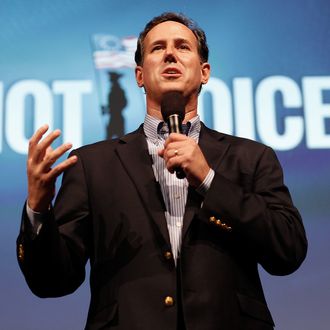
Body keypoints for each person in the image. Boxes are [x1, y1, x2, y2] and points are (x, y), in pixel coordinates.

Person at [17, 12, 307, 330]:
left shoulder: (251, 158)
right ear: (140, 76)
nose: (170, 53)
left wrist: (210, 180)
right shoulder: (92, 166)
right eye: (157, 48)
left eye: (182, 46)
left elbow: (287, 251)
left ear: (204, 72)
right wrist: (39, 209)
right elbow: (52, 282)